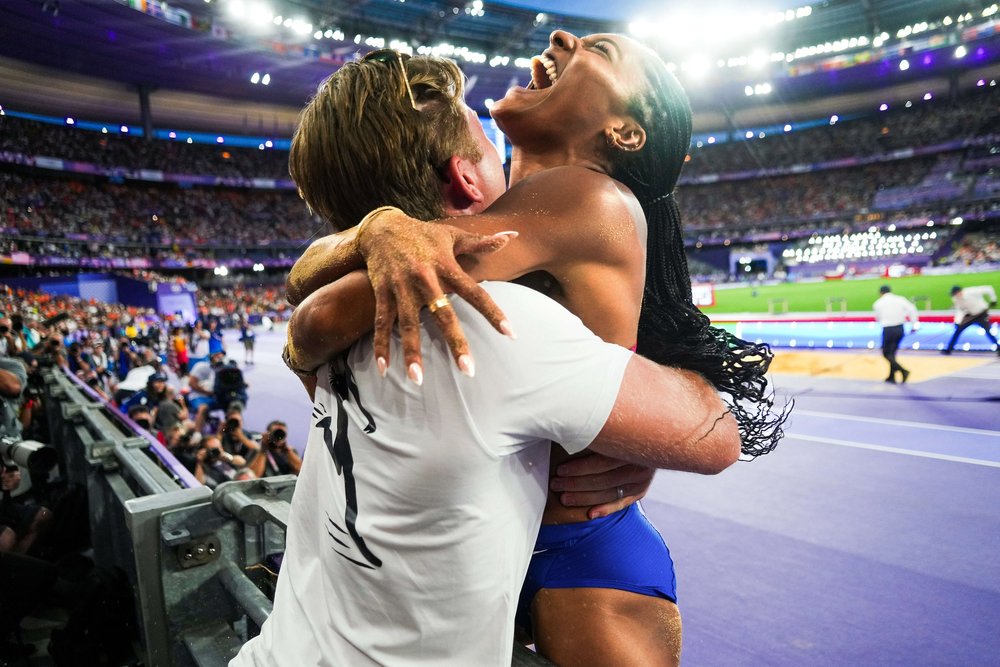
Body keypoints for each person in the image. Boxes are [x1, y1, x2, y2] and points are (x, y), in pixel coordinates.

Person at [282, 34, 784, 665]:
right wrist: (377, 229)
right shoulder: (538, 211)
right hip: (523, 535)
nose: (560, 38)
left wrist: (350, 264)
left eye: (597, 49)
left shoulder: (585, 196)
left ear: (625, 134)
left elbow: (333, 300)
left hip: (579, 550)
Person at [873, 285, 919, 383]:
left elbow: (878, 318)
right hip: (899, 328)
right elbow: (912, 309)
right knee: (892, 353)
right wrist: (914, 324)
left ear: (881, 293)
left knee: (886, 353)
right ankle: (891, 376)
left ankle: (903, 371)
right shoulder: (900, 299)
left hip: (888, 329)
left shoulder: (878, 303)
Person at [943, 285, 999, 355]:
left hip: (981, 314)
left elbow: (989, 289)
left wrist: (993, 300)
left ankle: (998, 348)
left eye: (955, 293)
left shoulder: (971, 292)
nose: (955, 295)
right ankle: (949, 349)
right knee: (958, 331)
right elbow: (959, 310)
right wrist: (958, 322)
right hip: (970, 316)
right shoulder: (956, 299)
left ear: (959, 292)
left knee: (988, 331)